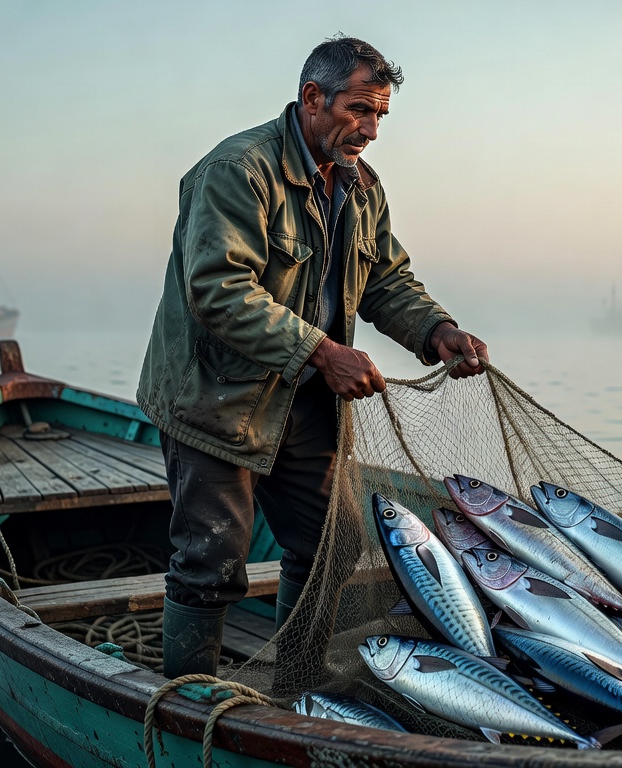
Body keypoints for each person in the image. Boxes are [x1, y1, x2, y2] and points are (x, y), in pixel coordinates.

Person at [137, 35, 488, 678]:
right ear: (312, 98)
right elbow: (218, 290)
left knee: (332, 543)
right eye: (359, 109)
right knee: (211, 561)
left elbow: (385, 281)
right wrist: (323, 352)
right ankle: (186, 700)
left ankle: (296, 681)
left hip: (305, 402)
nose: (371, 130)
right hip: (216, 398)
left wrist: (437, 330)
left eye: (380, 114)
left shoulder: (362, 187)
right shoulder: (238, 170)